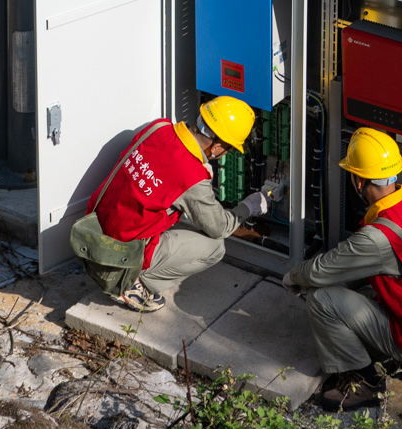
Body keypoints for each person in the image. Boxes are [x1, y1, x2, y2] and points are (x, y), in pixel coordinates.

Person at [287, 128, 402, 416]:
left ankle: (365, 383)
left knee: (321, 300)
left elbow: (322, 270)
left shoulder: (378, 238)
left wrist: (292, 277)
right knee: (354, 289)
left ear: (359, 180)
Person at [70, 94, 265, 313]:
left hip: (93, 230)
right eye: (228, 149)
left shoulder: (158, 127)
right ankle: (131, 285)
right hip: (117, 256)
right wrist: (249, 207)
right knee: (215, 248)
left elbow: (162, 170)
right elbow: (220, 227)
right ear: (218, 146)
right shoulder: (192, 177)